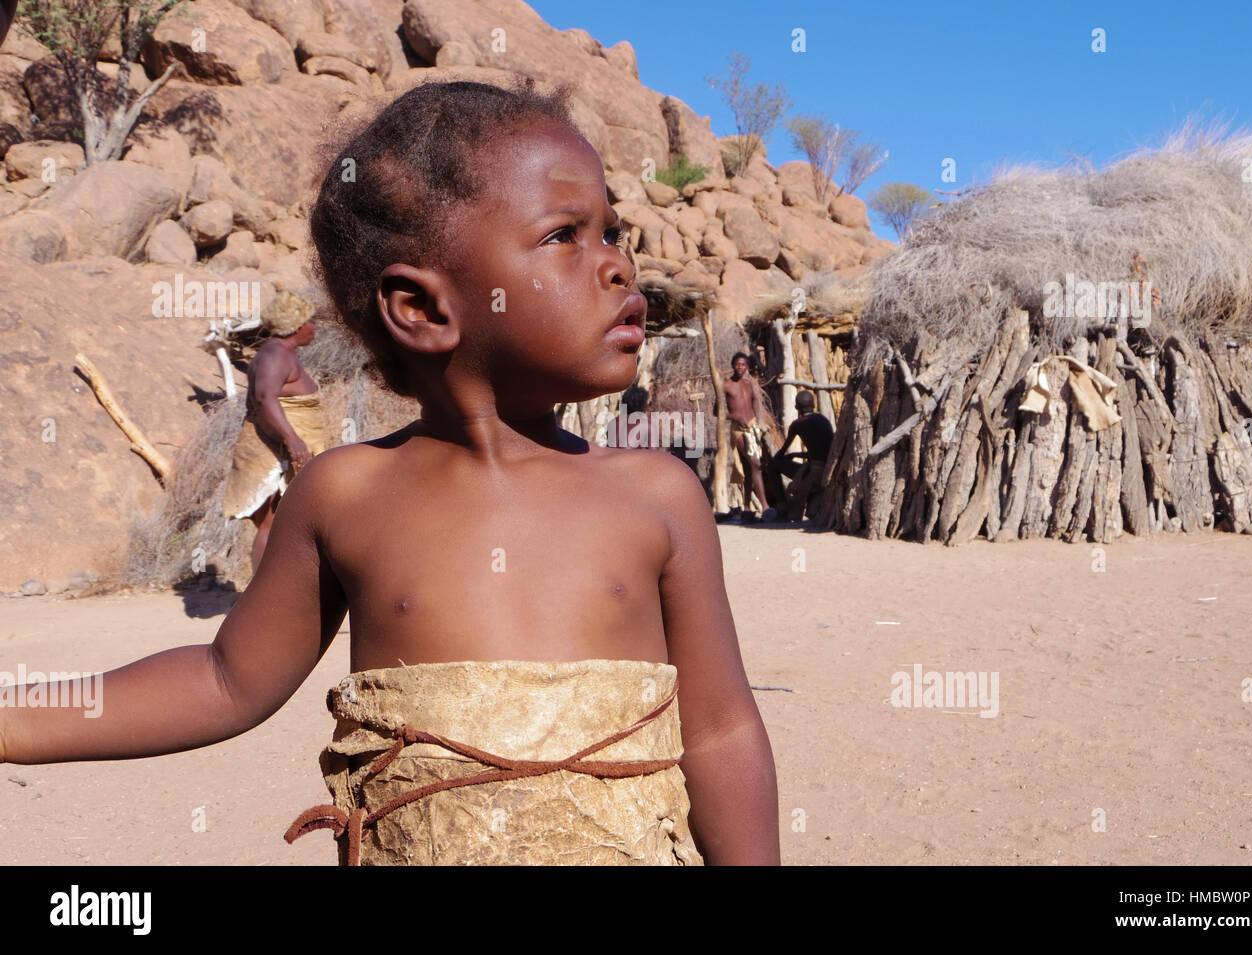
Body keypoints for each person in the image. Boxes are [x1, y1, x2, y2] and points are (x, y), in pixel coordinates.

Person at [0, 79, 780, 866]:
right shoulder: (345, 495)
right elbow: (223, 679)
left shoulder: (656, 496)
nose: (617, 263)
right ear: (422, 308)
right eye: (563, 236)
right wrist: (14, 720)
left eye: (612, 231)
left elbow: (719, 728)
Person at [220, 290, 329, 573]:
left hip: (276, 447)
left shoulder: (281, 353)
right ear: (295, 325)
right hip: (269, 451)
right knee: (270, 524)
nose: (314, 328)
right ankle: (263, 599)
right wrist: (293, 441)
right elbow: (266, 398)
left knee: (282, 522)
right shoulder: (275, 355)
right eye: (310, 322)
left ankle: (280, 591)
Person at [723, 352, 778, 520]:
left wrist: (756, 418)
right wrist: (737, 417)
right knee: (755, 463)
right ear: (733, 365)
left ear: (747, 367)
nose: (740, 367)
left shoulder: (749, 384)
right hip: (738, 430)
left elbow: (754, 400)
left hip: (752, 428)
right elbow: (718, 411)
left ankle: (746, 508)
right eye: (737, 364)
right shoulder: (726, 385)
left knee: (748, 468)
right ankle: (766, 506)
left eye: (743, 365)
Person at [765, 390, 834, 521]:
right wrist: (796, 454)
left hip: (814, 472)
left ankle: (782, 506)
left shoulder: (798, 424)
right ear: (814, 405)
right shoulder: (824, 420)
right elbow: (821, 452)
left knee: (773, 465)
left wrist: (785, 456)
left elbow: (781, 452)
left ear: (796, 407)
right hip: (827, 471)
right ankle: (812, 499)